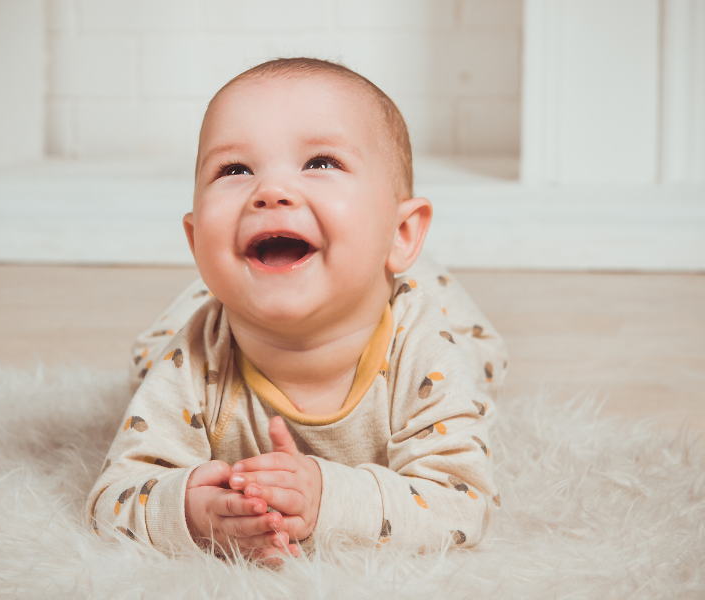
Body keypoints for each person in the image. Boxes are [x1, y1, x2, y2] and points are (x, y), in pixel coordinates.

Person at [86, 58, 508, 562]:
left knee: (482, 362)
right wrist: (190, 512)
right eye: (234, 170)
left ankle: (410, 264)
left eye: (320, 163)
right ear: (197, 241)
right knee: (148, 360)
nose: (271, 192)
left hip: (421, 303)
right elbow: (113, 499)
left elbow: (462, 504)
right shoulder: (196, 358)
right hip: (223, 295)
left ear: (402, 232)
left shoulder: (423, 348)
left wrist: (329, 497)